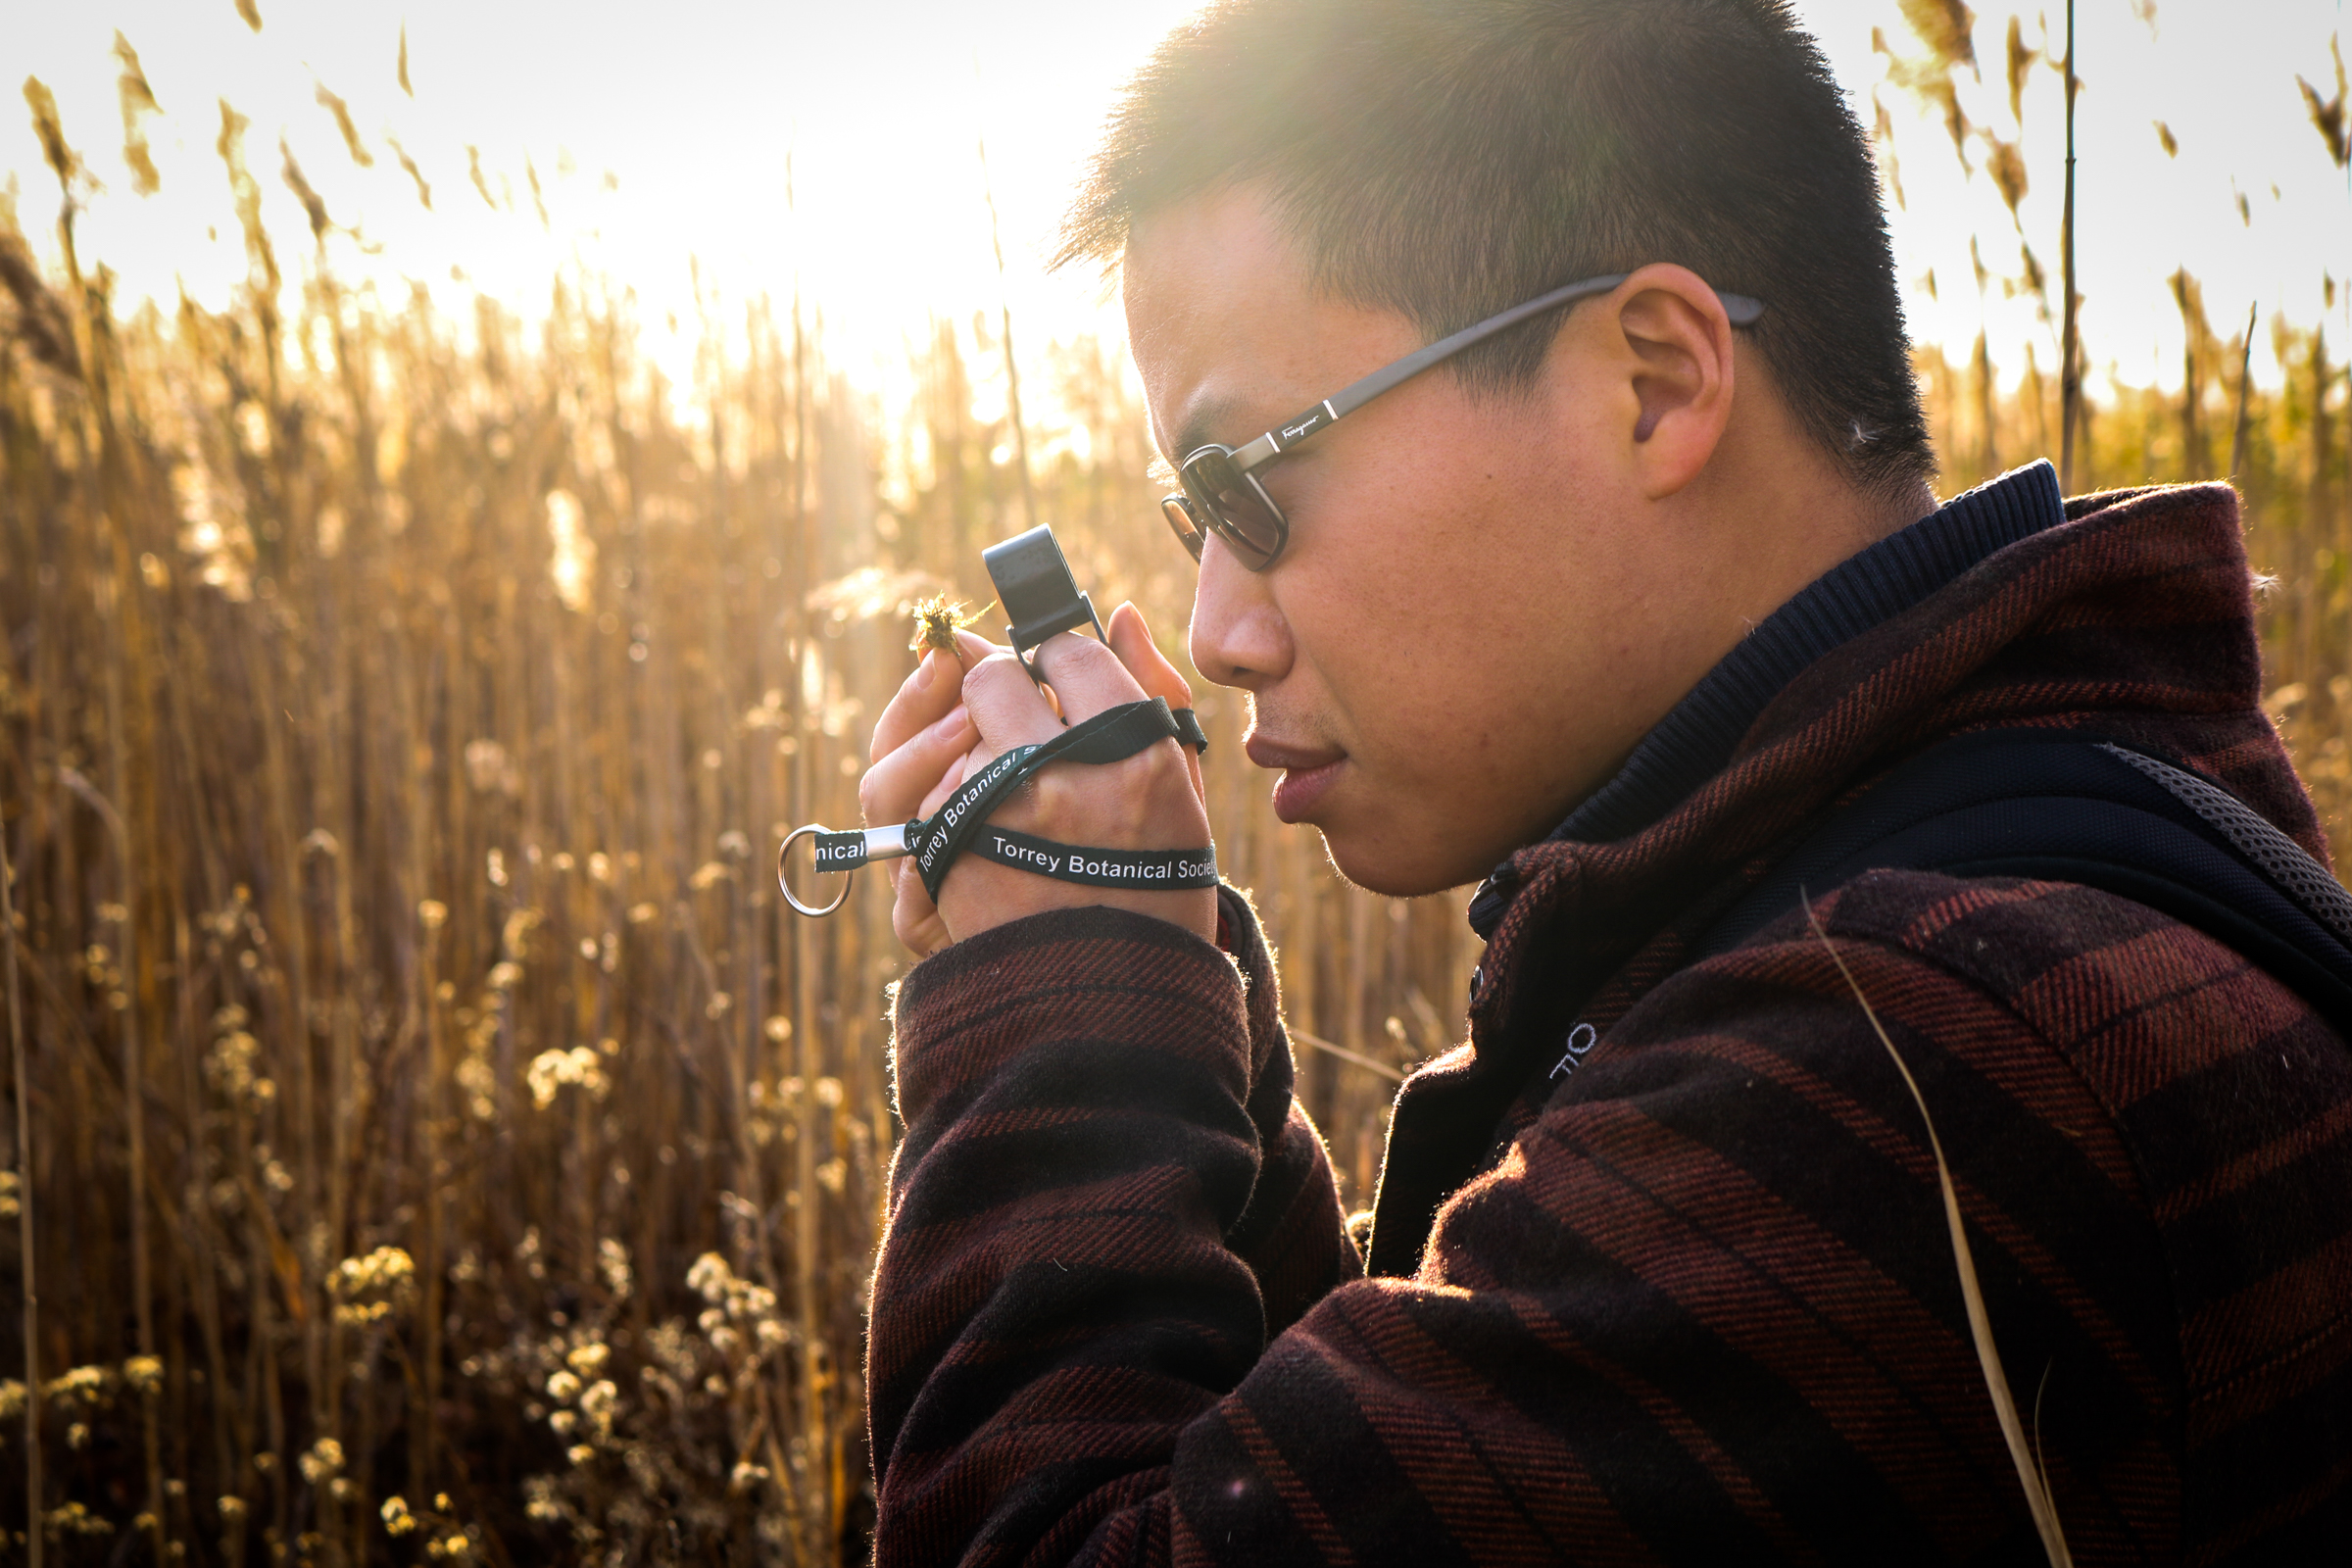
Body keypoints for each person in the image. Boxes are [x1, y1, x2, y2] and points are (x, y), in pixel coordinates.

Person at [853, 0, 2352, 1560]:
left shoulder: (1904, 1066)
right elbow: (1373, 1485)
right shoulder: (2010, 866)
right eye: (1192, 521)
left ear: (1653, 380)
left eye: (1251, 485)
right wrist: (1169, 1025)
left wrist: (1063, 998)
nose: (1220, 630)